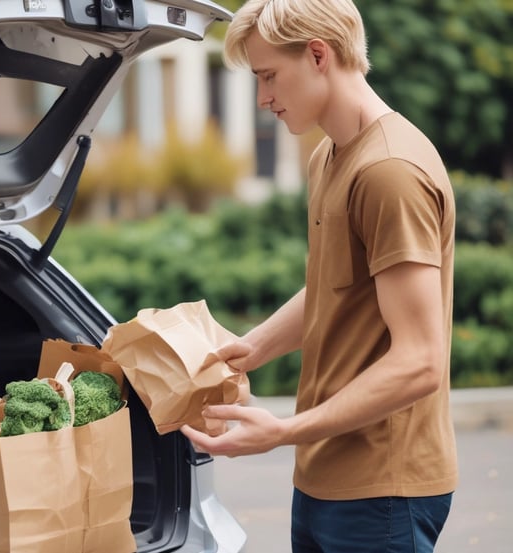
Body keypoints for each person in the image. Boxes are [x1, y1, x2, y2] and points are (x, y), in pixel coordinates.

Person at [180, 0, 458, 551]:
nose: (263, 99)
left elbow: (421, 361)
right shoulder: (330, 155)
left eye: (268, 76)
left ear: (317, 54)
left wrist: (284, 431)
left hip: (383, 488)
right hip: (326, 472)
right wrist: (250, 348)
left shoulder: (389, 172)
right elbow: (337, 286)